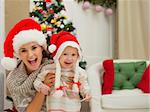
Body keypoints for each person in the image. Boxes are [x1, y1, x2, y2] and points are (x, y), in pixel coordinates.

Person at [1, 18, 55, 112]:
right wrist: (43, 87)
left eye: (34, 48)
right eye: (23, 50)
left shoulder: (53, 66)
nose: (30, 55)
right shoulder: (13, 80)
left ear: (41, 48)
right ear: (19, 55)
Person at [34, 31, 91, 112]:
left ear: (78, 56)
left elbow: (84, 86)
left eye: (73, 55)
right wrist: (41, 87)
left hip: (73, 108)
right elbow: (36, 82)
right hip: (54, 107)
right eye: (65, 54)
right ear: (58, 54)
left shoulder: (79, 72)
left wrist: (86, 93)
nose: (69, 58)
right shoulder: (49, 69)